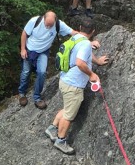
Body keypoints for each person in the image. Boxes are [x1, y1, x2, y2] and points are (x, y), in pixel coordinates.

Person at [44, 25, 109, 156]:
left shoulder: (76, 38)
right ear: (93, 31)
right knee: (69, 115)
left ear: (80, 27)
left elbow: (85, 55)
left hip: (65, 80)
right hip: (73, 85)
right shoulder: (85, 44)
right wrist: (91, 74)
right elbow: (80, 62)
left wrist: (97, 61)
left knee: (68, 108)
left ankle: (52, 128)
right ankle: (60, 141)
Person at [18, 9, 72, 110]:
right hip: (30, 50)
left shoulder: (58, 24)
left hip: (43, 52)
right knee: (26, 72)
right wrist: (23, 49)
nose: (48, 27)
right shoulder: (35, 21)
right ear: (44, 18)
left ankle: (37, 97)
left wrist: (86, 40)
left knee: (42, 72)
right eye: (47, 24)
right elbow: (24, 33)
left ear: (55, 21)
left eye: (50, 25)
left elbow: (73, 32)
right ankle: (22, 94)